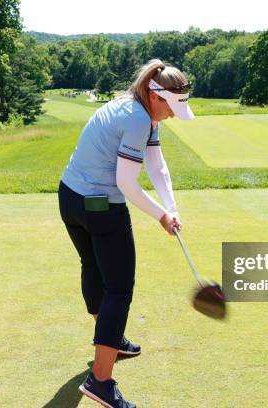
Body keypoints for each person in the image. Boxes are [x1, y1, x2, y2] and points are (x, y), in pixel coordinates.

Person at [58, 59, 195, 407]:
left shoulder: (136, 107)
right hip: (101, 205)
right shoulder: (137, 118)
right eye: (172, 107)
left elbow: (156, 164)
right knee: (119, 288)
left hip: (70, 198)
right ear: (156, 94)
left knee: (93, 267)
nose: (174, 114)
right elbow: (125, 183)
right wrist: (161, 216)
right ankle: (100, 381)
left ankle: (111, 339)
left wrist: (172, 206)